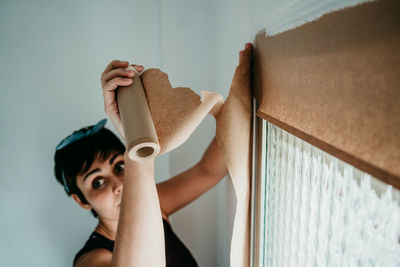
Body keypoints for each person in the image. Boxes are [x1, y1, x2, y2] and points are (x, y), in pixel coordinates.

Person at [54, 61, 229, 267]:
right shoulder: (91, 260)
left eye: (120, 167)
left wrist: (237, 102)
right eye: (98, 182)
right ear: (81, 200)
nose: (119, 184)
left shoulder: (157, 203)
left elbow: (208, 171)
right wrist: (137, 146)